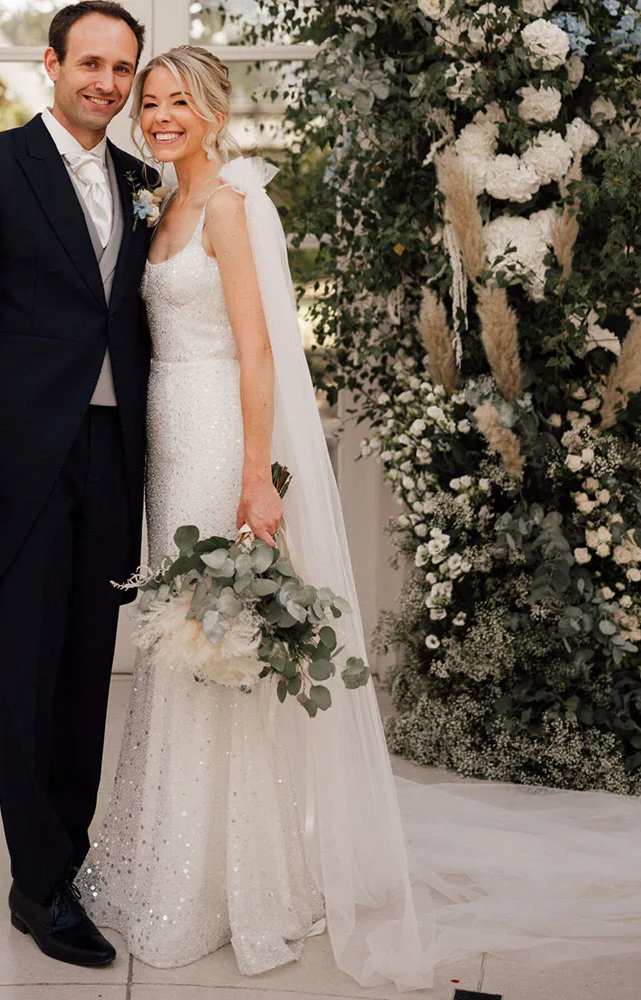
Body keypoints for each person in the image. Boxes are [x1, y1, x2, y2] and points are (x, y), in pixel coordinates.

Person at [78, 44, 641, 993]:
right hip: (166, 444)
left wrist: (259, 477)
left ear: (214, 109)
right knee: (181, 642)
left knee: (223, 638)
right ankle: (177, 861)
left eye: (180, 102)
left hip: (222, 438)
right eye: (152, 102)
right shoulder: (161, 203)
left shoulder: (230, 204)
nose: (162, 116)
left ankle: (243, 885)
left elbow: (260, 354)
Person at [0, 1, 157, 970]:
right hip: (16, 462)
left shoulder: (143, 180)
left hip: (110, 456)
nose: (106, 81)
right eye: (90, 62)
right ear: (51, 64)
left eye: (122, 68)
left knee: (85, 671)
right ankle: (36, 885)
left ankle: (69, 852)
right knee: (24, 674)